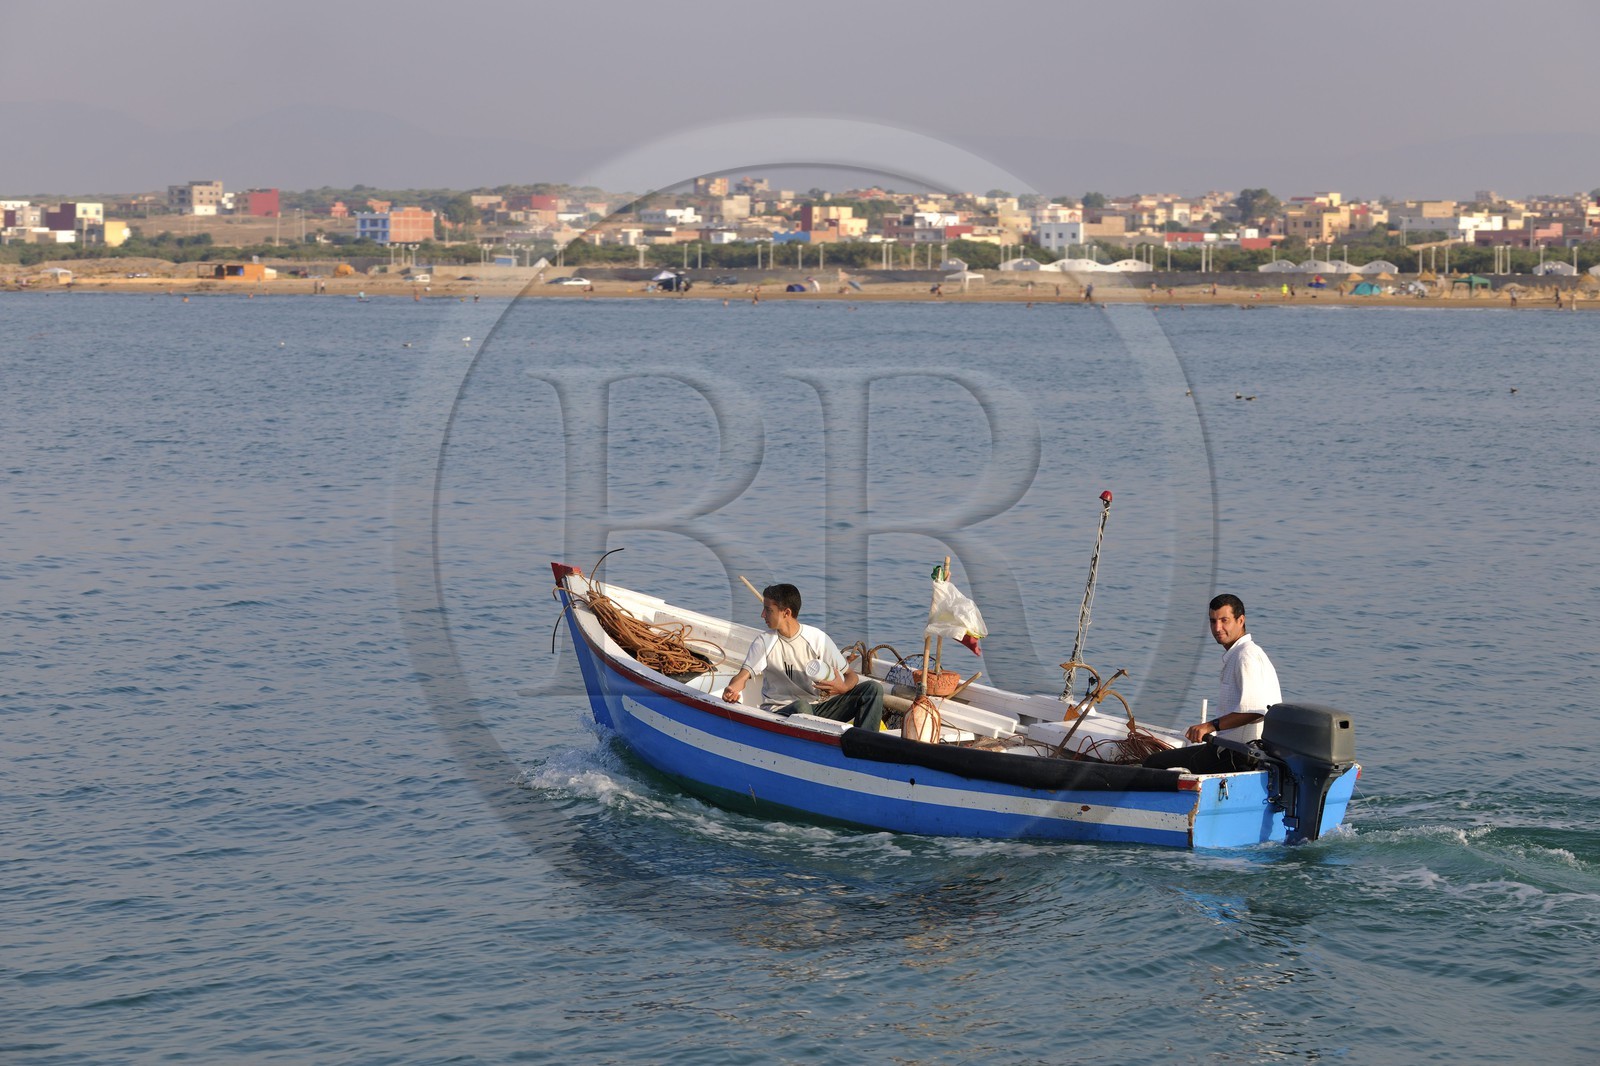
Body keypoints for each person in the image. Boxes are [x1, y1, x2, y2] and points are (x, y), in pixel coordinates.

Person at [1145, 594, 1282, 773]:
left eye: (1224, 620)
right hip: (1229, 749)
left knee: (1154, 763)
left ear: (1240, 620)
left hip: (1239, 755)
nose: (1217, 628)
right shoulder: (1242, 653)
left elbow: (1256, 711)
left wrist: (1209, 726)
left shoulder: (1245, 656)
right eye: (1213, 621)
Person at [721, 583, 884, 730]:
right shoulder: (764, 642)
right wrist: (732, 689)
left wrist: (843, 688)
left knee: (872, 689)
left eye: (768, 610)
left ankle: (863, 745)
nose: (762, 615)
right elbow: (742, 678)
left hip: (818, 710)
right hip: (779, 713)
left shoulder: (818, 638)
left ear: (786, 613)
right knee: (802, 707)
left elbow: (851, 675)